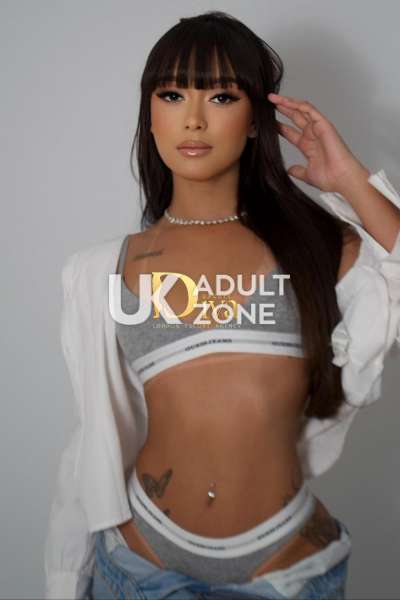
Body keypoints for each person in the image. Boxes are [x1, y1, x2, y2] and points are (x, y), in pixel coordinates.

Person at [44, 10, 400, 600]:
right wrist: (64, 582)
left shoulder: (320, 247)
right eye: (172, 94)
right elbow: (92, 440)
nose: (193, 118)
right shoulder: (97, 271)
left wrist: (350, 179)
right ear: (150, 115)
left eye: (222, 97)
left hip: (285, 574)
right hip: (138, 569)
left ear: (256, 119)